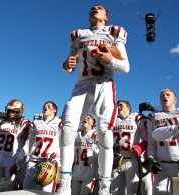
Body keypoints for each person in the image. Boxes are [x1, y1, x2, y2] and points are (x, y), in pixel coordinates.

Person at [56, 4, 130, 195]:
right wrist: (66, 65)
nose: (95, 8)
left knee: (104, 133)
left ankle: (105, 185)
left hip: (104, 82)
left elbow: (125, 67)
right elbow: (69, 68)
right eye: (93, 7)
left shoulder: (114, 31)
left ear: (106, 16)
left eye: (100, 8)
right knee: (67, 130)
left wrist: (110, 60)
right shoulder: (77, 34)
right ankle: (64, 180)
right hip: (82, 84)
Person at [147, 89, 179, 195]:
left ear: (175, 99)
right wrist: (151, 159)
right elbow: (151, 142)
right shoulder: (153, 116)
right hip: (162, 164)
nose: (165, 96)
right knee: (158, 192)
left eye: (168, 95)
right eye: (162, 95)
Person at [21, 101, 61, 193]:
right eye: (44, 105)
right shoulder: (35, 123)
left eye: (49, 106)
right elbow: (30, 141)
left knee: (46, 191)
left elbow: (64, 142)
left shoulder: (59, 123)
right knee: (26, 188)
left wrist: (58, 156)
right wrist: (26, 155)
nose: (45, 107)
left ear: (54, 110)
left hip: (49, 161)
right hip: (34, 159)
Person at [0, 99, 30, 185]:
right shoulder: (2, 122)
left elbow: (25, 143)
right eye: (9, 110)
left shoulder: (23, 123)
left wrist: (19, 160)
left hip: (12, 160)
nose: (11, 113)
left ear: (20, 112)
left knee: (8, 188)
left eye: (14, 111)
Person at [111, 100, 148, 195]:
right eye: (117, 105)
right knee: (116, 192)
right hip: (116, 160)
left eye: (120, 105)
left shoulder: (137, 118)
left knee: (132, 191)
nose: (118, 107)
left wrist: (139, 148)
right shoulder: (113, 120)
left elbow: (147, 138)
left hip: (132, 160)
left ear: (128, 108)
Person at [71, 114, 99, 195]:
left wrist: (96, 150)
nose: (85, 119)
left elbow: (102, 156)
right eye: (84, 117)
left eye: (88, 118)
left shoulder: (96, 134)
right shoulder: (76, 134)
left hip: (90, 173)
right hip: (76, 172)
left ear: (93, 122)